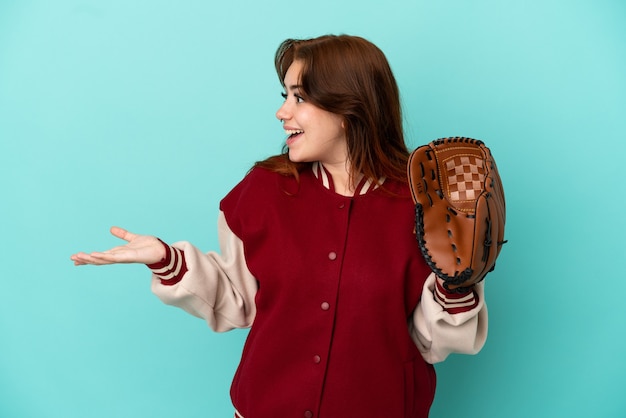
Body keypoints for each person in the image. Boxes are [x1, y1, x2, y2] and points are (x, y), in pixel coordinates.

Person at [71, 34, 487, 418]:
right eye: (285, 95)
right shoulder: (264, 191)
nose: (282, 111)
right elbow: (237, 299)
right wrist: (167, 259)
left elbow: (433, 341)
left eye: (299, 97)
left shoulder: (427, 204)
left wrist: (458, 287)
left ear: (348, 107)